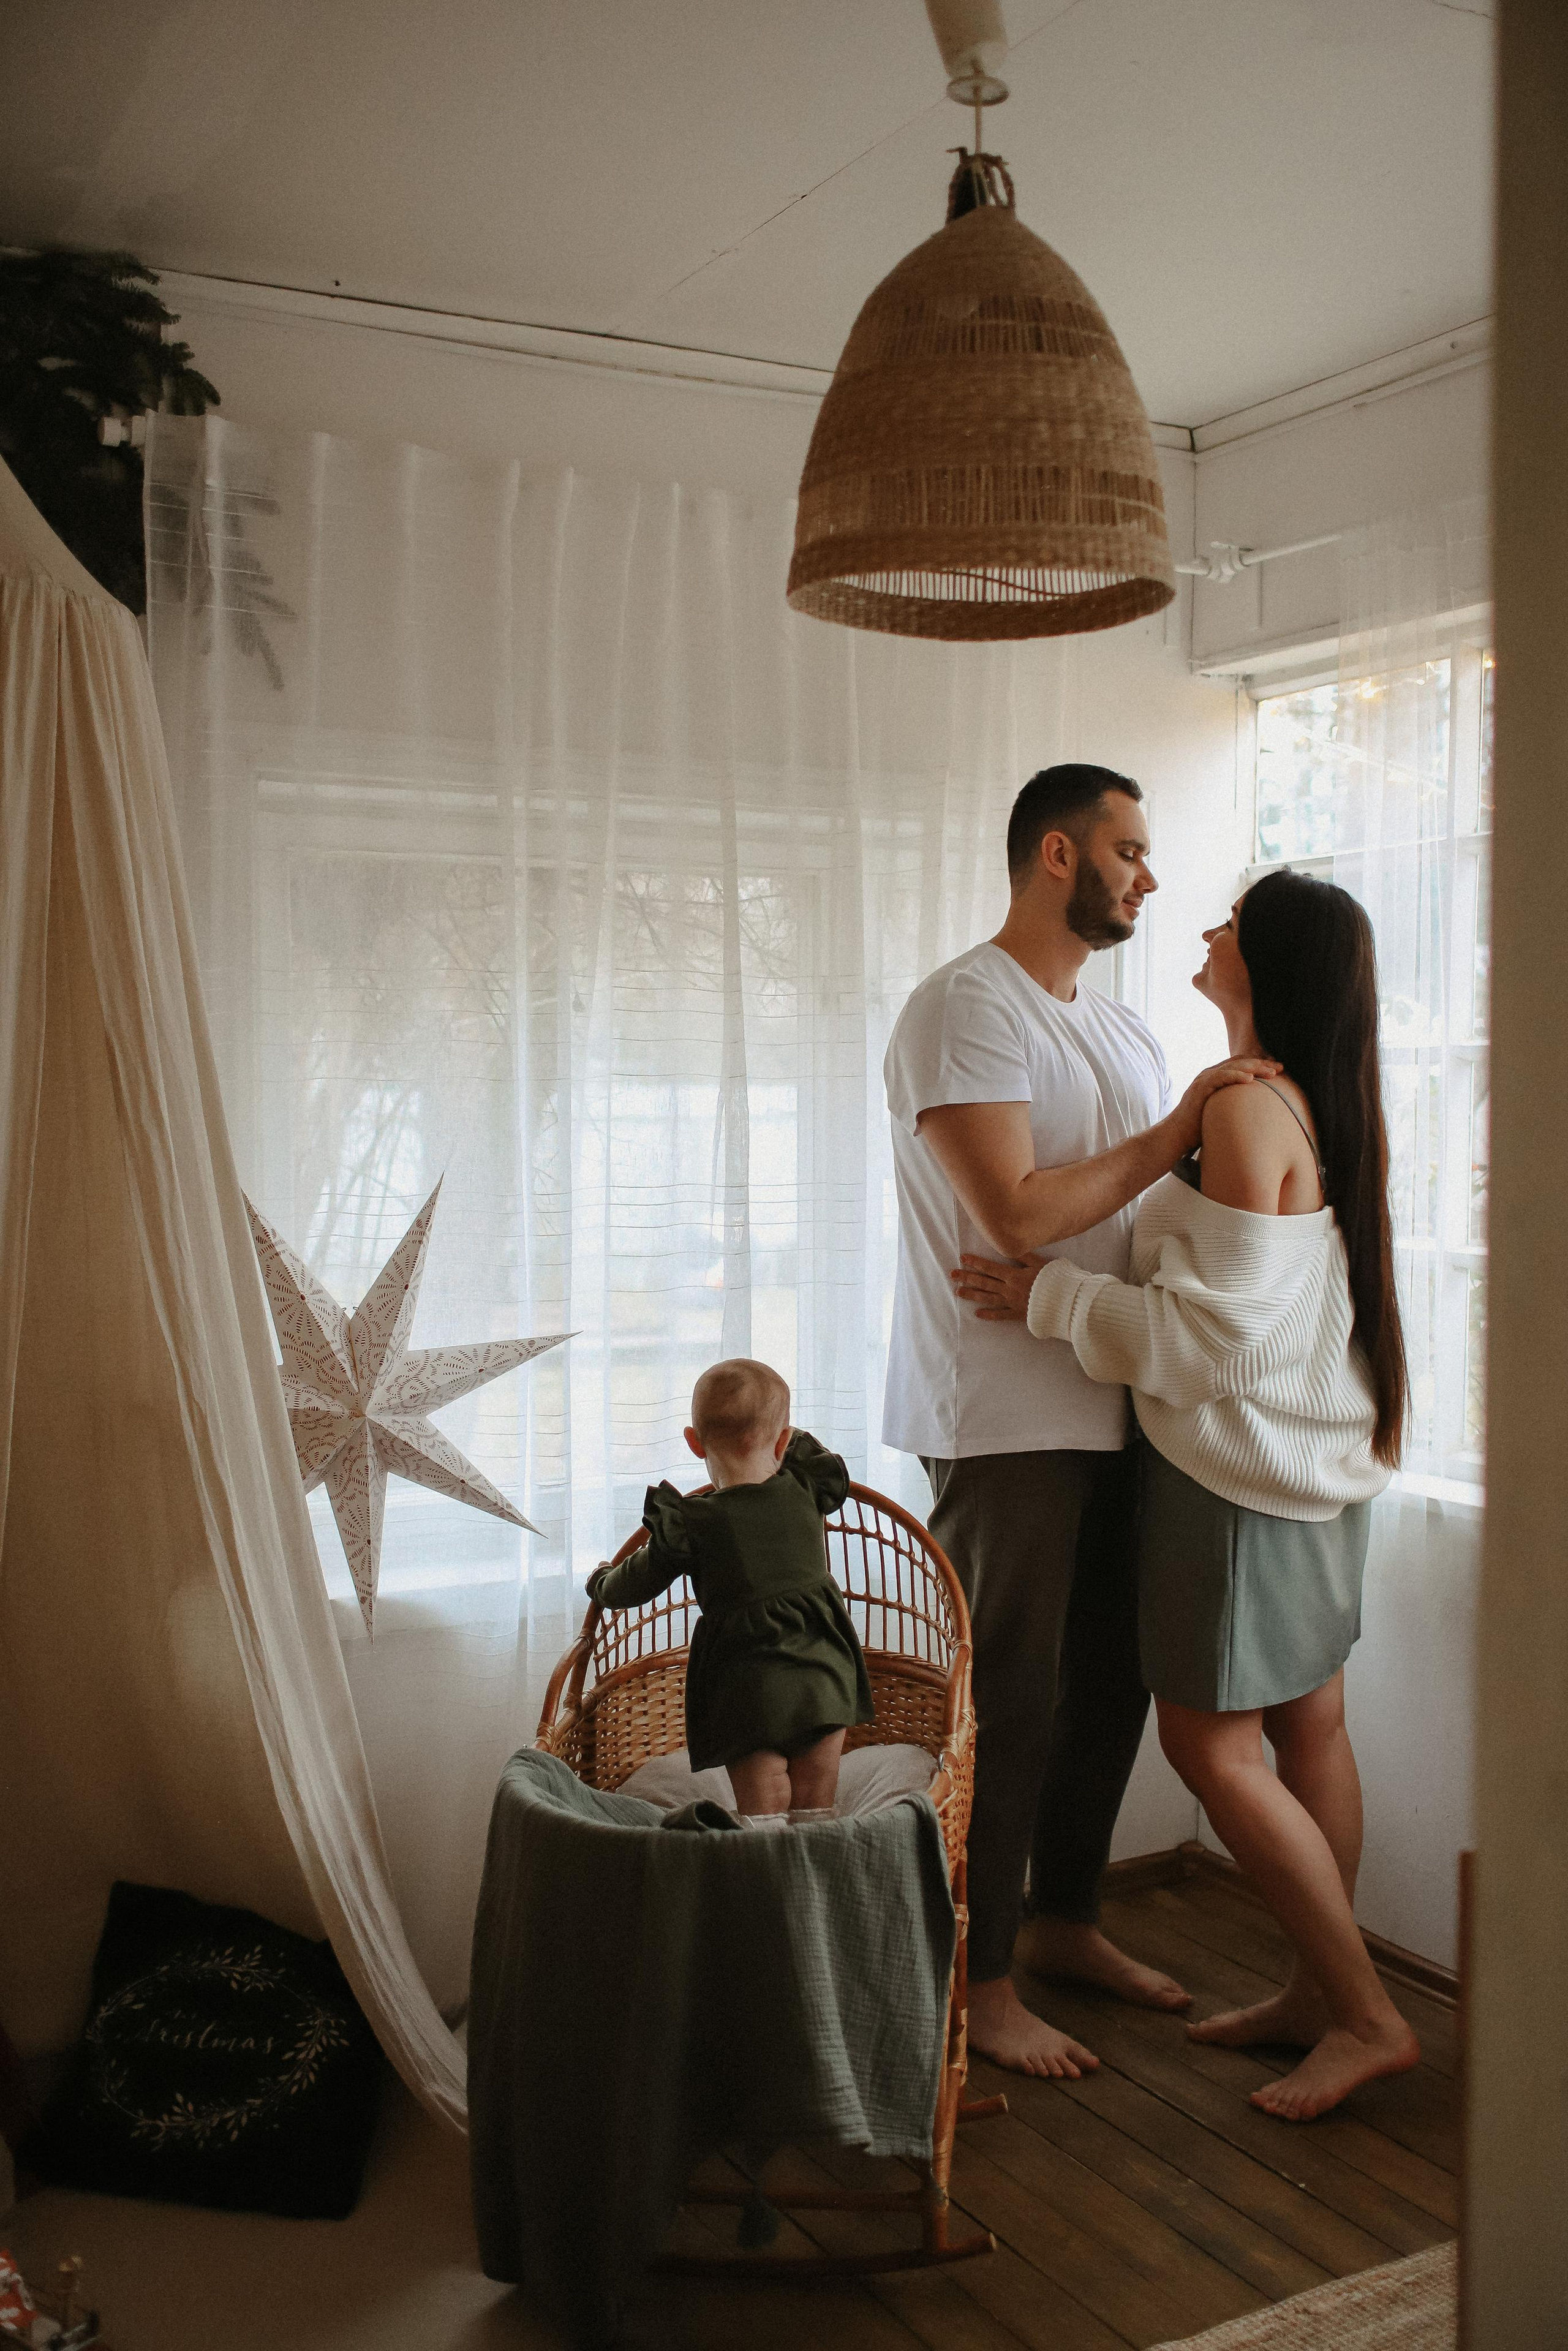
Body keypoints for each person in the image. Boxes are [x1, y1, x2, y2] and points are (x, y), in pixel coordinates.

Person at [952, 868, 1420, 2119]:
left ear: (1267, 961)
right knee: (1309, 1730)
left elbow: (1214, 1348)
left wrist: (1046, 1297)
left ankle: (1364, 2014)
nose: (1204, 925)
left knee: (1209, 1748)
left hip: (1239, 1479)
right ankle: (1319, 1990)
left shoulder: (1249, 1112)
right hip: (1316, 1467)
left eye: (1231, 918)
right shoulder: (1307, 1100)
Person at [883, 763, 1280, 2078]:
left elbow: (1138, 1214)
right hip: (1001, 1413)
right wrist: (1182, 1121)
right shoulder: (963, 1007)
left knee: (1112, 1674)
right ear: (1058, 854)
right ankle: (977, 1977)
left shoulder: (1118, 1030)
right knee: (1011, 1694)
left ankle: (1061, 1920)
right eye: (1129, 849)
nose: (1149, 877)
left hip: (1120, 1394)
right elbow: (1016, 1214)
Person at [587, 1358, 873, 1818]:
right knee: (816, 1792)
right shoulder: (806, 1485)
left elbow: (635, 1583)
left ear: (693, 1442)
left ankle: (763, 1850)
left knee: (764, 1800)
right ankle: (816, 1847)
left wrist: (602, 1582)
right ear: (784, 1440)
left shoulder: (691, 1523)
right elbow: (812, 1455)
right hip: (823, 1671)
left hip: (745, 1684)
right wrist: (779, 1434)